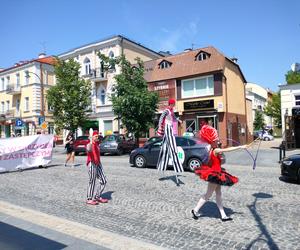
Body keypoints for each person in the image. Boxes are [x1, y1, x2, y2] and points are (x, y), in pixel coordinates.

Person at [191, 125, 249, 222]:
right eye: (216, 140)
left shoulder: (212, 149)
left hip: (218, 174)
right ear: (212, 141)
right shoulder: (216, 150)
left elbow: (218, 161)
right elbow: (227, 150)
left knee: (218, 194)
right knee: (208, 195)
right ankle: (195, 210)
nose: (218, 141)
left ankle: (223, 215)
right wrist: (240, 146)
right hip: (215, 175)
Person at [157, 99, 184, 180]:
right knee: (172, 147)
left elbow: (174, 117)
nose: (173, 105)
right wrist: (159, 126)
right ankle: (177, 167)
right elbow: (161, 117)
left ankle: (161, 167)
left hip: (170, 127)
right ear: (170, 104)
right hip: (167, 127)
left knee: (164, 148)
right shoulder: (166, 110)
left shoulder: (171, 111)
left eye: (174, 104)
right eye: (172, 104)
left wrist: (178, 120)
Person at [86, 131, 108, 205]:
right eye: (95, 136)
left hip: (98, 164)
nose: (97, 137)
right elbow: (88, 149)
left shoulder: (97, 144)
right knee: (92, 181)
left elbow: (102, 139)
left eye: (97, 136)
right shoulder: (90, 144)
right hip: (92, 163)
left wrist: (100, 136)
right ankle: (89, 199)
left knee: (103, 181)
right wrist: (91, 141)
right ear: (92, 137)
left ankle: (97, 197)